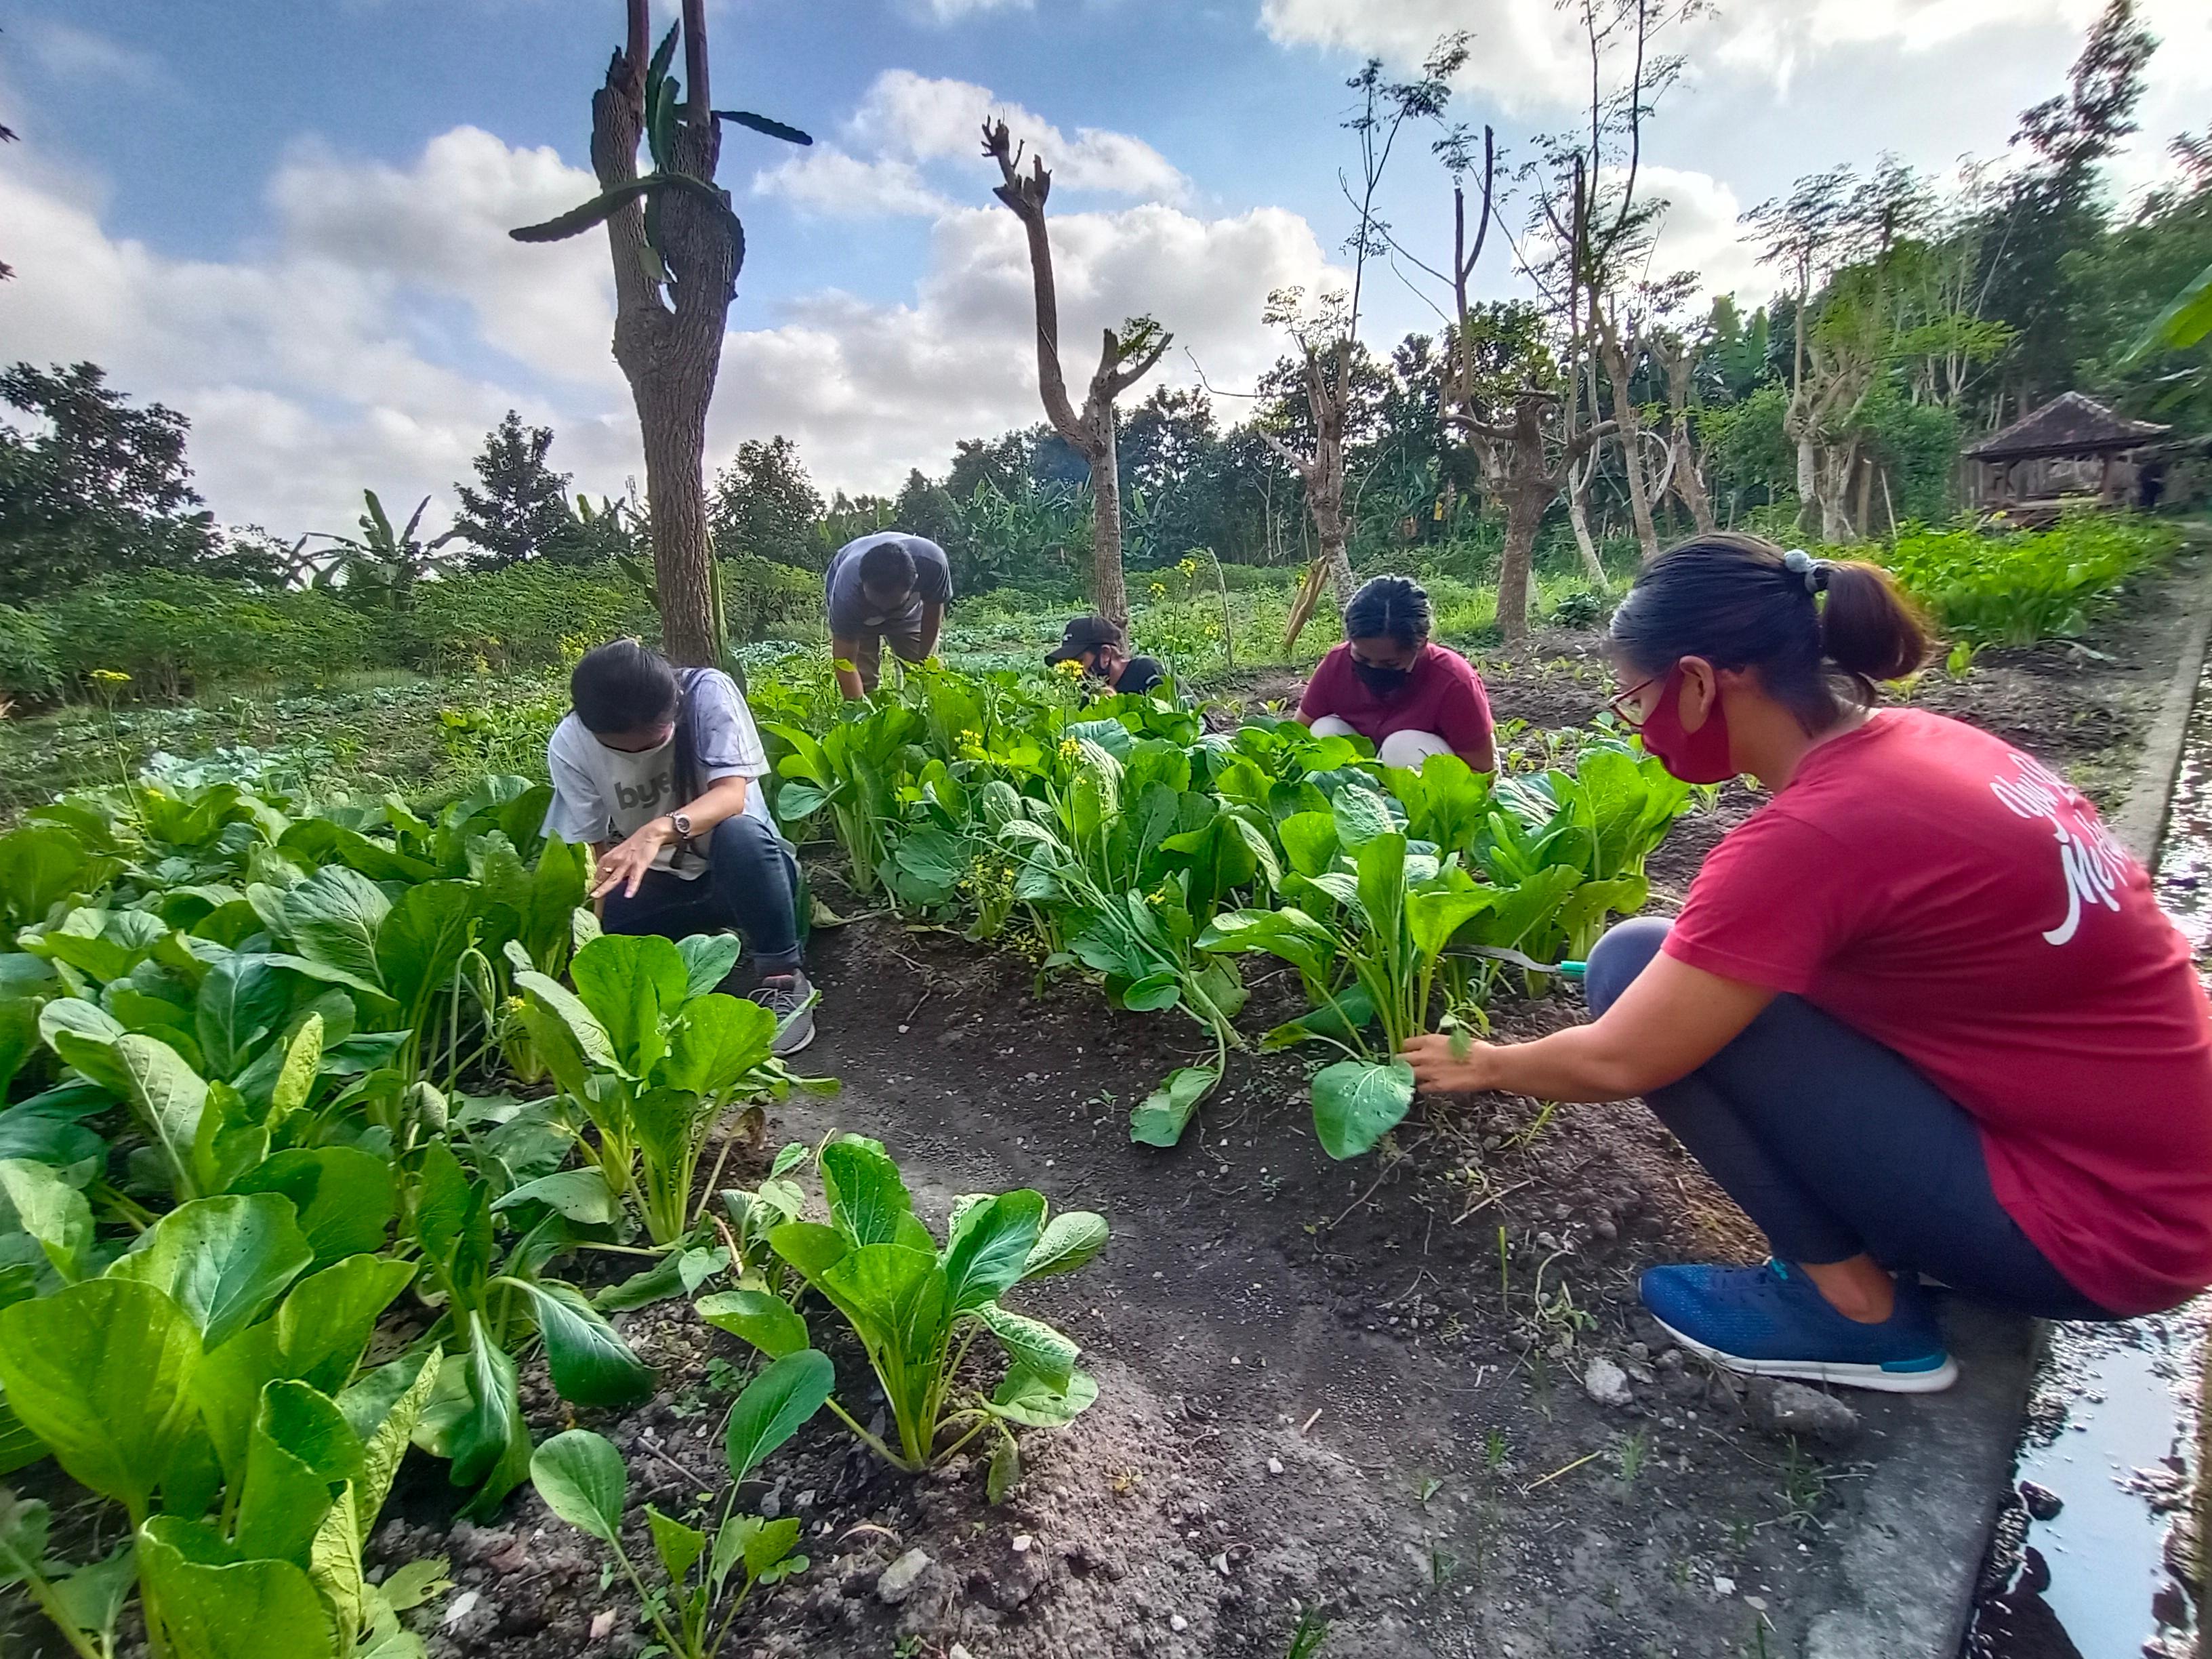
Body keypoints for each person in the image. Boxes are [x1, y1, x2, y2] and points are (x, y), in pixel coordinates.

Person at [1402, 533, 2212, 1392]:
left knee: (1631, 974)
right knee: (1648, 948)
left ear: (1704, 681)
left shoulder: (1814, 835)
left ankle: (1854, 1312)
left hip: (2108, 1233)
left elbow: (1622, 1057)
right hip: (2160, 1177)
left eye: (1635, 705)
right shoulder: (1927, 745)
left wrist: (1486, 1064)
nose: (1636, 737)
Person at [544, 639, 815, 1054]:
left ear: (674, 705)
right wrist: (595, 955)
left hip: (749, 871)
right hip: (668, 882)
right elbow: (593, 852)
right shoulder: (571, 743)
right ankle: (711, 940)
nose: (640, 754)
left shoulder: (708, 693)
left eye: (655, 739)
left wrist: (656, 831)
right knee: (615, 910)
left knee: (738, 832)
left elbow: (731, 797)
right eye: (622, 748)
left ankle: (783, 978)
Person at [1298, 575, 1495, 772]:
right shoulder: (1337, 663)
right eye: (1362, 659)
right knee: (1323, 731)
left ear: (1421, 646)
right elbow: (1297, 731)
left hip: (1431, 775)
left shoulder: (1453, 681)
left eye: (1390, 663)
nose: (1373, 669)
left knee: (1400, 749)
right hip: (1368, 777)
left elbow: (1483, 771)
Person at [825, 531, 953, 700]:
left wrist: (924, 663)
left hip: (908, 615)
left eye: (891, 605)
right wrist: (861, 711)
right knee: (864, 682)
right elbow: (845, 663)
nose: (883, 613)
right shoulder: (847, 593)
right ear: (863, 584)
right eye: (877, 605)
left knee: (925, 676)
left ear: (915, 580)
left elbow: (932, 616)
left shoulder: (933, 564)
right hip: (861, 616)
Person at [1044, 615, 1166, 695]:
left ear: (1105, 654)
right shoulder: (1088, 695)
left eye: (1079, 661)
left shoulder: (1145, 671)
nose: (1074, 671)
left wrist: (1115, 705)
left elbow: (1174, 716)